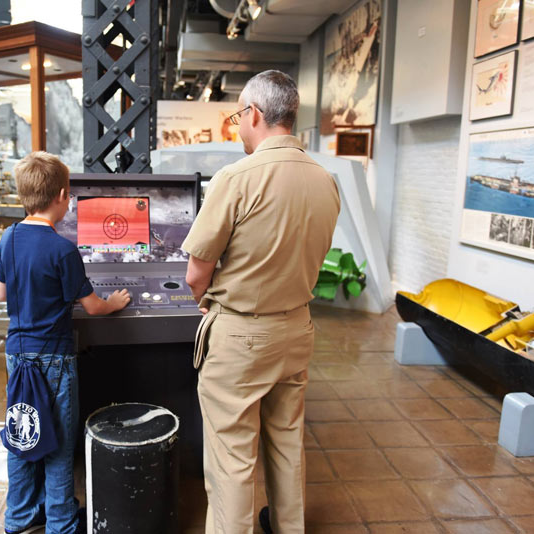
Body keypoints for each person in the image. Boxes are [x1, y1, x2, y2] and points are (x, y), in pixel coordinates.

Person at [182, 70, 340, 534]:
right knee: (287, 442)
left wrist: (206, 299)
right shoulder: (325, 180)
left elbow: (196, 275)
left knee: (233, 456)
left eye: (237, 116)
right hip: (297, 330)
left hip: (241, 337)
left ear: (253, 113)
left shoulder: (236, 178)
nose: (237, 127)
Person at [0, 151, 131, 534]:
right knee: (58, 441)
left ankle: (19, 517)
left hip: (16, 356)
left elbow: (3, 293)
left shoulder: (9, 237)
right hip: (53, 358)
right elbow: (93, 307)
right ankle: (60, 521)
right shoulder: (63, 249)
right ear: (60, 196)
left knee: (23, 434)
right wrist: (115, 302)